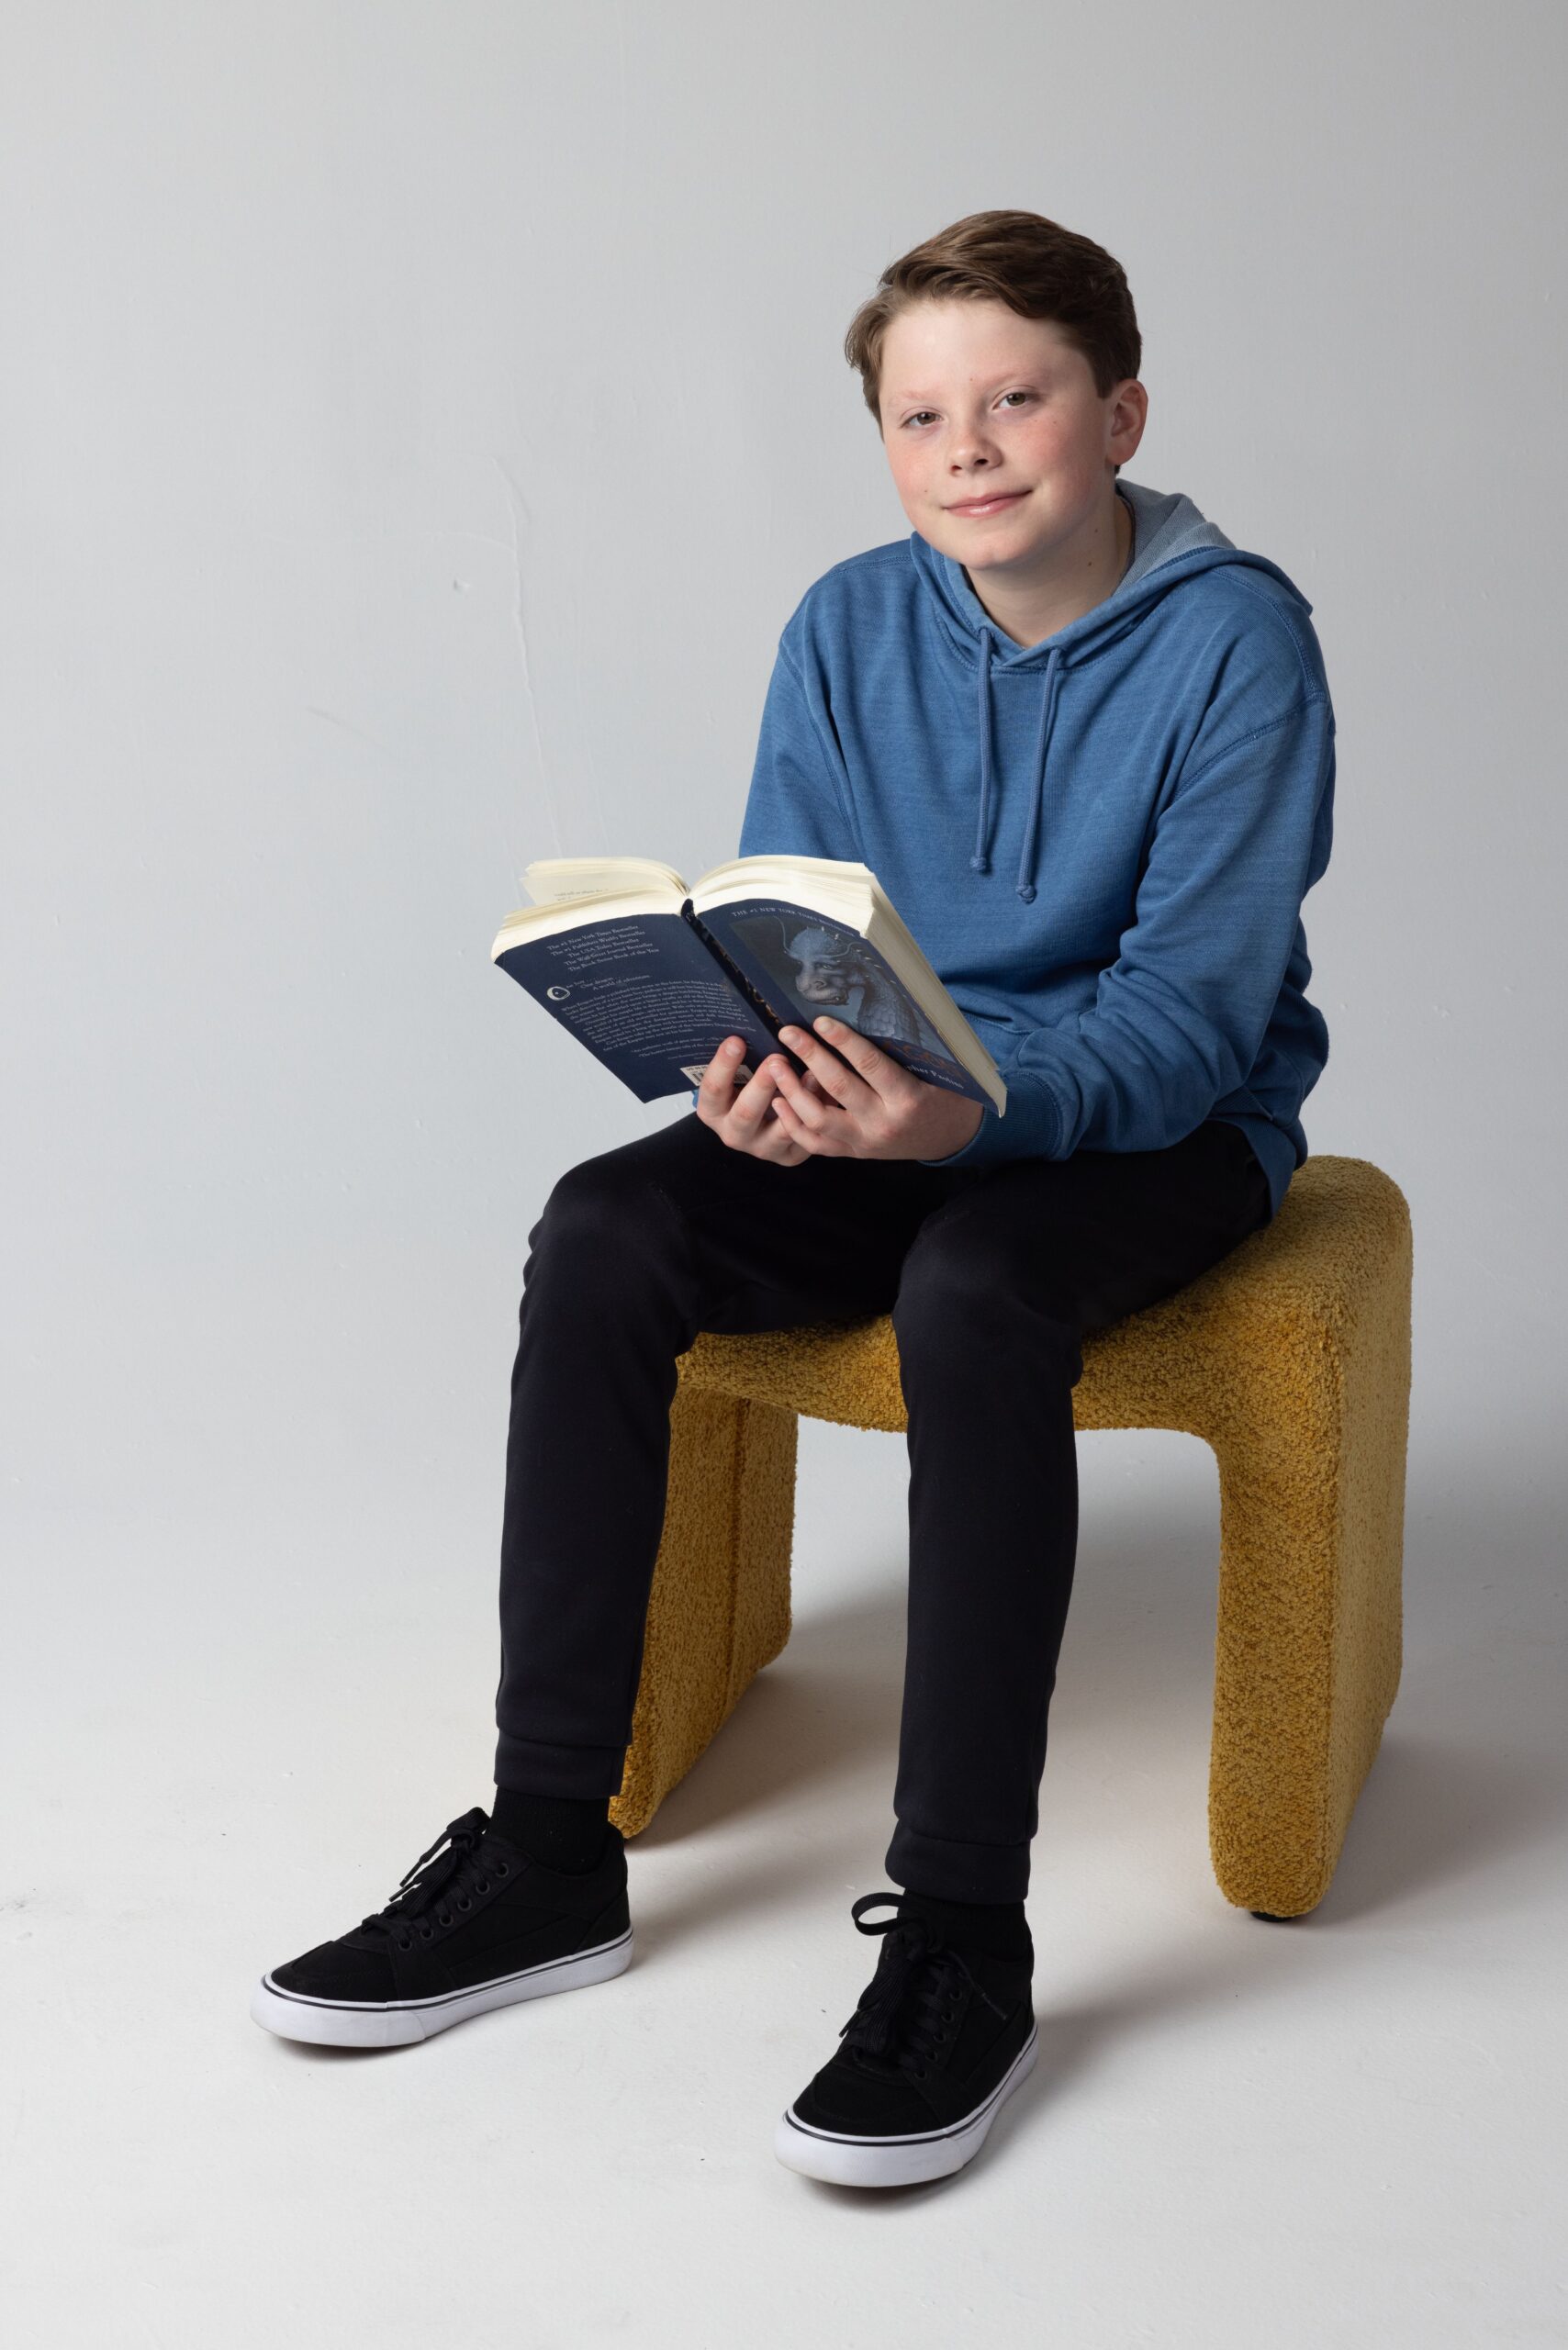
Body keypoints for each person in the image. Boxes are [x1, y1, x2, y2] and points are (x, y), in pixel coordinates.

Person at [251, 208, 1335, 2190]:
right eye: (922, 415)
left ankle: (956, 1936)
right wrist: (759, 1081)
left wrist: (955, 1122)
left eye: (1014, 397)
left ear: (1117, 413)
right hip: (896, 1091)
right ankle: (546, 1847)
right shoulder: (845, 620)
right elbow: (798, 924)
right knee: (605, 1225)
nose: (970, 446)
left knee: (975, 1289)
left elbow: (1188, 1021)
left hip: (1150, 1123)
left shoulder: (1233, 639)